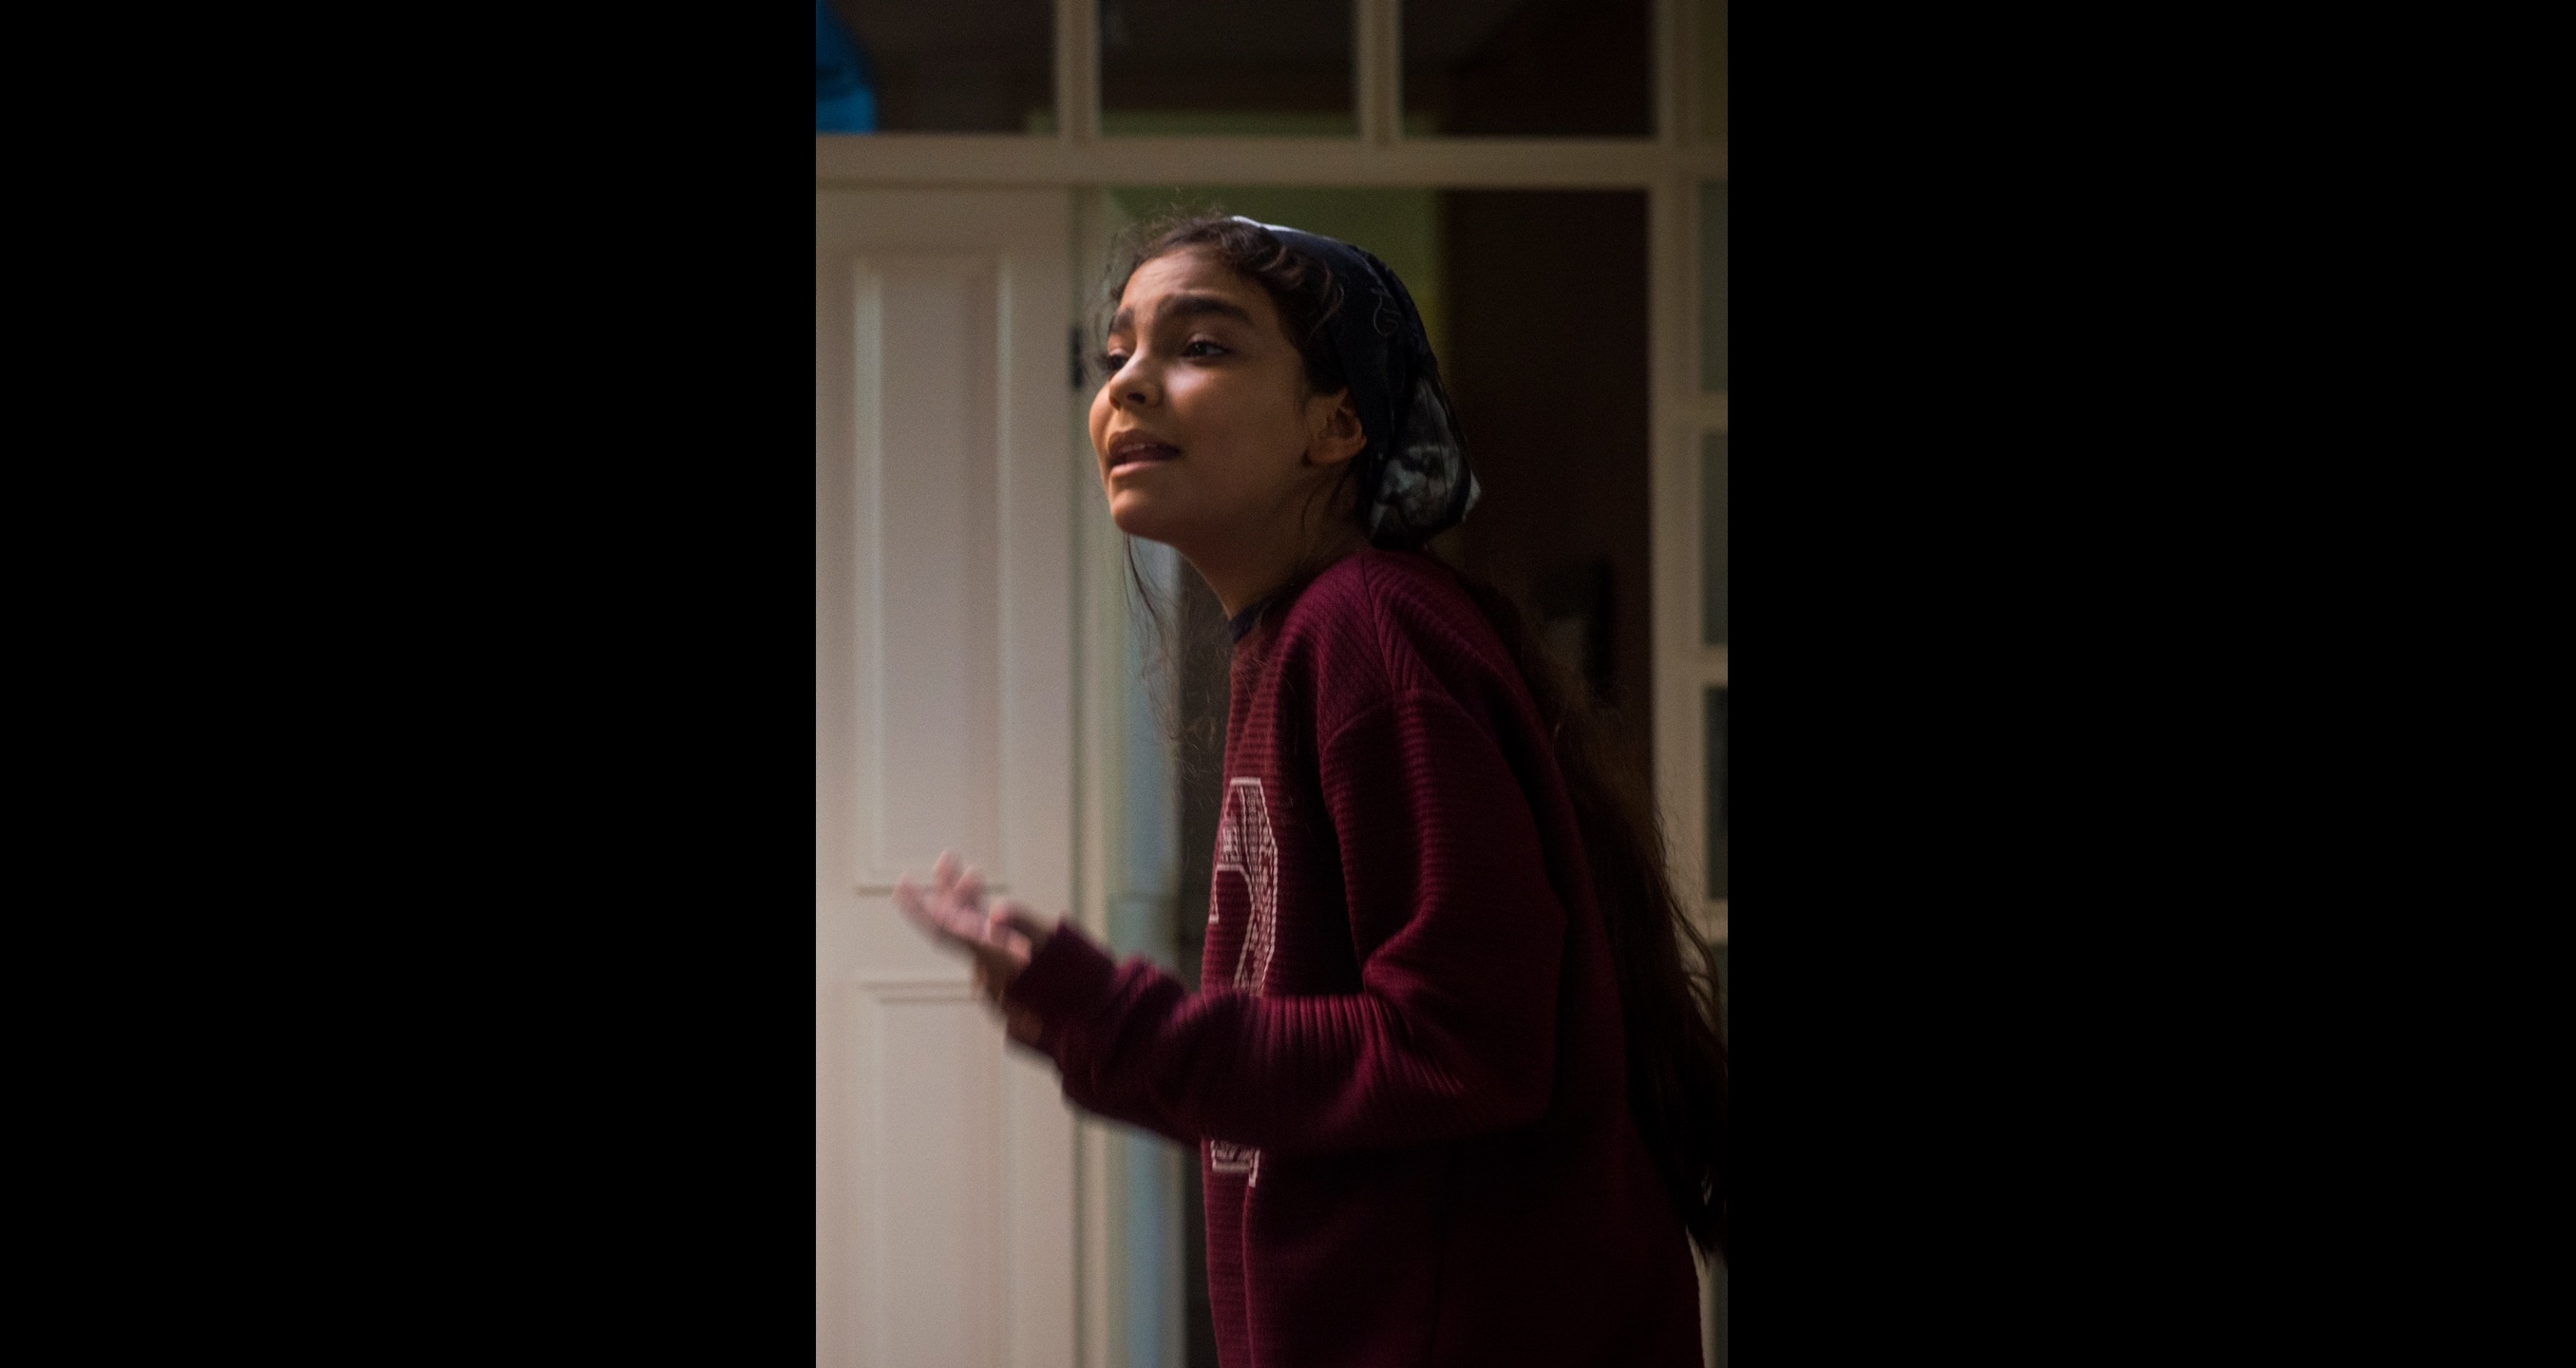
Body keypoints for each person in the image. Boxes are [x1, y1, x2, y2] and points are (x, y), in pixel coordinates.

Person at [895, 213, 1726, 1367]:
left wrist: (1118, 1020)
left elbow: (1456, 1048)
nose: (1128, 384)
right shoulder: (1302, 637)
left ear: (1338, 426)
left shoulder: (1368, 629)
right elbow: (1330, 1093)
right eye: (1118, 352)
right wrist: (1092, 1025)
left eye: (1202, 345)